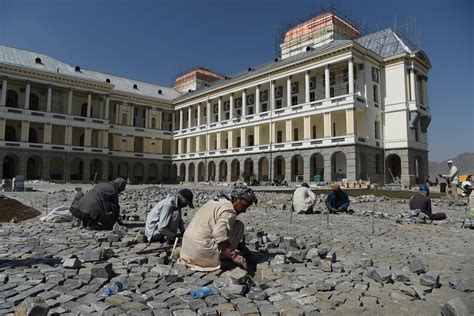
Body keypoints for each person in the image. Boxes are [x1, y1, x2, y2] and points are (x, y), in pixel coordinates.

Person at [178, 184, 258, 271]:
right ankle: (220, 257)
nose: (244, 211)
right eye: (244, 206)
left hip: (186, 250)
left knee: (234, 224)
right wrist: (234, 256)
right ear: (236, 199)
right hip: (201, 254)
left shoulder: (216, 201)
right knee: (239, 226)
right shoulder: (229, 211)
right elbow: (219, 234)